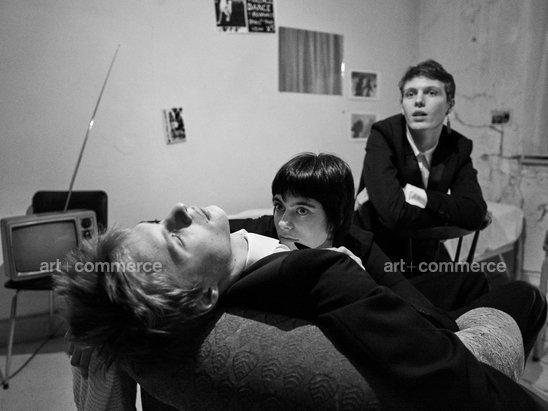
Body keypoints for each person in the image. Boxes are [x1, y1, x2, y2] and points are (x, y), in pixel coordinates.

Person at [56, 201, 548, 411]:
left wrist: (94, 321)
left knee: (466, 279)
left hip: (389, 278)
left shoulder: (212, 267)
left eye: (157, 220)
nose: (180, 210)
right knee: (520, 293)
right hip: (425, 319)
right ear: (204, 297)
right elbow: (446, 371)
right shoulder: (314, 274)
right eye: (176, 238)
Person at [230, 152, 545, 356]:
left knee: (468, 279)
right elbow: (215, 231)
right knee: (524, 297)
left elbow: (412, 302)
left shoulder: (356, 242)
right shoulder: (263, 231)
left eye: (301, 210)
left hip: (390, 298)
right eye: (279, 206)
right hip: (371, 317)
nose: (283, 222)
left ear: (337, 218)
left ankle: (469, 341)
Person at [354, 59, 491, 305]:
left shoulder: (458, 146)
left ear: (450, 105)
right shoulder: (384, 135)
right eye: (410, 94)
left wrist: (419, 196)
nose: (419, 101)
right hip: (377, 256)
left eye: (431, 92)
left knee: (476, 282)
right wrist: (452, 211)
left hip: (425, 253)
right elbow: (393, 214)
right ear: (402, 104)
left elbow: (474, 212)